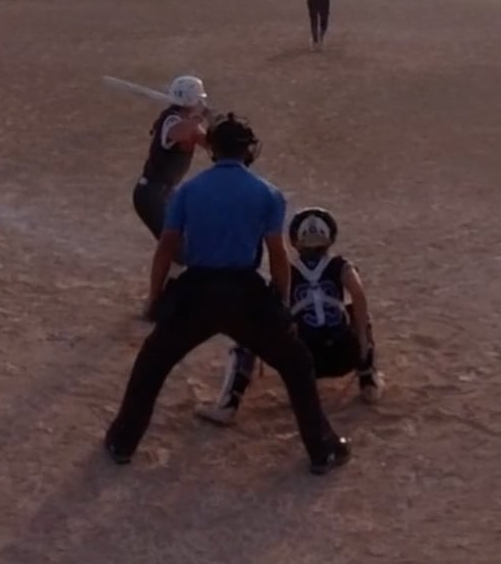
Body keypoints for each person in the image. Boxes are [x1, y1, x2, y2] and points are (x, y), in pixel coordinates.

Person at [104, 114, 352, 475]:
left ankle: (122, 442)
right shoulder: (267, 193)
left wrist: (155, 296)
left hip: (196, 291)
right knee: (297, 364)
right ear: (247, 150)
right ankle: (322, 449)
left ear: (213, 150)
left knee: (152, 363)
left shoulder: (188, 191)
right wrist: (280, 303)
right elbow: (277, 255)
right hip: (245, 293)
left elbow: (166, 248)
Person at [196, 206, 383, 427]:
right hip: (343, 356)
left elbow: (270, 308)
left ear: (295, 240)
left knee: (246, 337)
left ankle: (229, 404)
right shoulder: (341, 266)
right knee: (358, 313)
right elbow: (358, 294)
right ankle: (368, 379)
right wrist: (362, 340)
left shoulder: (287, 270)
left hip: (303, 362)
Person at [131, 75, 211, 241]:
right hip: (151, 193)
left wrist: (216, 124)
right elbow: (177, 133)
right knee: (174, 244)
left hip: (167, 192)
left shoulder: (188, 122)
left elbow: (211, 145)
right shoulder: (171, 118)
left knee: (187, 238)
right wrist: (198, 117)